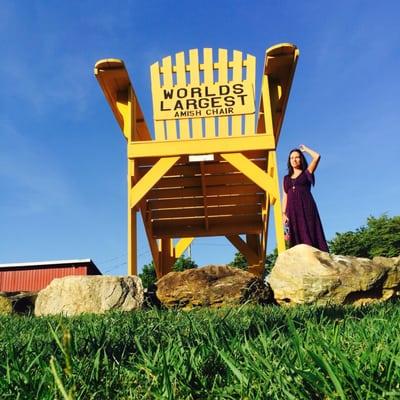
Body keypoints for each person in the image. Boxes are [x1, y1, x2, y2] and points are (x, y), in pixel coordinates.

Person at [282, 144, 329, 252]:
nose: (294, 160)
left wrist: (305, 150)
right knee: (294, 236)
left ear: (301, 159)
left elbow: (317, 156)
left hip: (307, 207)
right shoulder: (285, 178)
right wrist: (283, 214)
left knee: (310, 230)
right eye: (291, 158)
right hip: (291, 210)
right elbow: (285, 195)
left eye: (297, 157)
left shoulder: (307, 172)